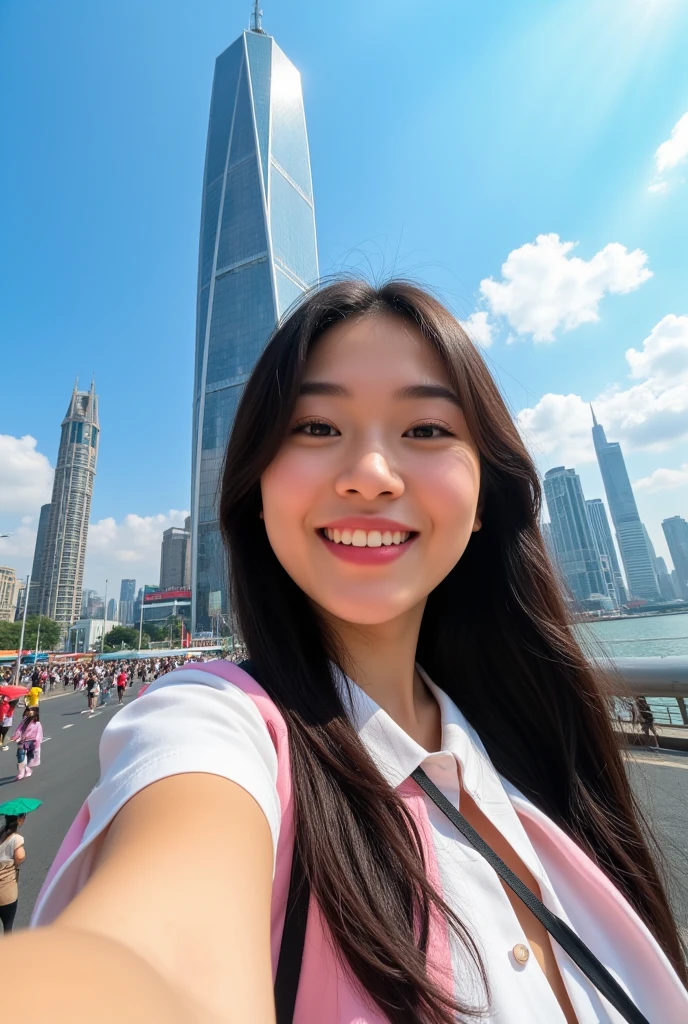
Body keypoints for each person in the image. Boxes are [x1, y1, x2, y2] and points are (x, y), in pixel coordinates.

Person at [7, 281, 688, 1022]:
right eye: (317, 427)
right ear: (258, 488)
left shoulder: (540, 752)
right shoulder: (215, 729)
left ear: (485, 490)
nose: (370, 472)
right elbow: (148, 960)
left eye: (426, 429)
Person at [0, 814, 26, 933]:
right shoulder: (16, 838)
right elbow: (20, 856)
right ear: (19, 820)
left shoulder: (1, 834)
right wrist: (15, 864)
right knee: (8, 926)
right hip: (6, 891)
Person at [12, 707, 43, 780]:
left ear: (35, 713)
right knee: (21, 756)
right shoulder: (24, 721)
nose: (29, 712)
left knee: (29, 758)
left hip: (31, 742)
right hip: (22, 742)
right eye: (28, 710)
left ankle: (28, 769)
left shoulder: (37, 723)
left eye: (31, 710)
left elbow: (39, 735)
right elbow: (19, 730)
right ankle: (21, 772)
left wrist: (37, 745)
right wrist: (15, 736)